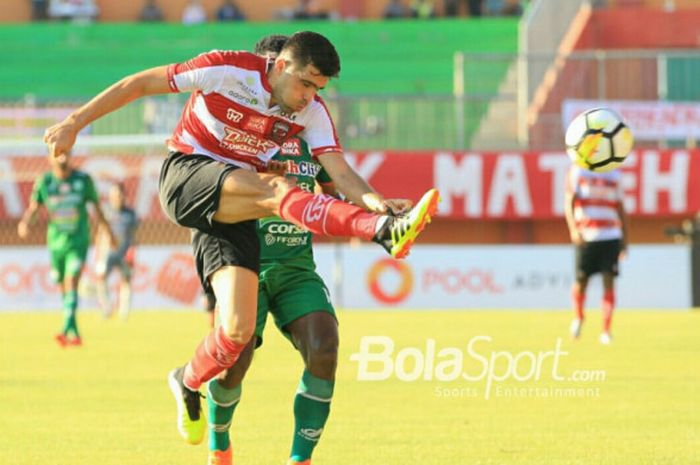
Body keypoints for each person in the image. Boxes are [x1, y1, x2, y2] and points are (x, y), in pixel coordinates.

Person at [42, 31, 440, 446]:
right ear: (283, 65)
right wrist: (74, 123)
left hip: (234, 210)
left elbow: (339, 173)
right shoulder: (227, 69)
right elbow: (141, 84)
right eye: (305, 83)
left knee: (235, 333)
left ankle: (186, 379)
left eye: (318, 89)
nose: (308, 96)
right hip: (188, 174)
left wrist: (377, 203)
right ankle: (381, 235)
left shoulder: (311, 112)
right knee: (279, 190)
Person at [204, 34, 371, 465]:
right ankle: (219, 441)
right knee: (233, 366)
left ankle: (300, 459)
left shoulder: (310, 131)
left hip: (297, 266)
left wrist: (379, 216)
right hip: (244, 262)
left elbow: (336, 192)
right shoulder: (234, 133)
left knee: (326, 348)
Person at [17, 152, 115, 347]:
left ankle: (64, 329)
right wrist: (25, 223)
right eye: (58, 154)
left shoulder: (83, 180)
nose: (62, 158)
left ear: (70, 156)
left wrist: (109, 233)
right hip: (56, 244)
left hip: (78, 241)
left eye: (65, 153)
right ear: (50, 159)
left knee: (72, 280)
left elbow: (97, 208)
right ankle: (74, 332)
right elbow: (34, 208)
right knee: (63, 287)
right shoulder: (45, 182)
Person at [564, 164, 628, 345]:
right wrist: (573, 230)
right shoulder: (578, 170)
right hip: (586, 236)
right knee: (581, 282)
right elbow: (569, 201)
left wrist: (625, 241)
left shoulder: (615, 174)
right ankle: (578, 317)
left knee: (609, 281)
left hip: (610, 236)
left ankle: (606, 331)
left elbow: (621, 208)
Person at [94, 182, 139, 320]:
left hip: (124, 253)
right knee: (101, 279)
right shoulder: (105, 211)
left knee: (126, 280)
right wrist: (98, 250)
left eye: (119, 194)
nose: (117, 197)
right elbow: (100, 232)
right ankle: (107, 308)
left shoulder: (130, 214)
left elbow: (133, 236)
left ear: (124, 196)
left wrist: (131, 252)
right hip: (107, 252)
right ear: (110, 196)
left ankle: (124, 312)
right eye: (114, 194)